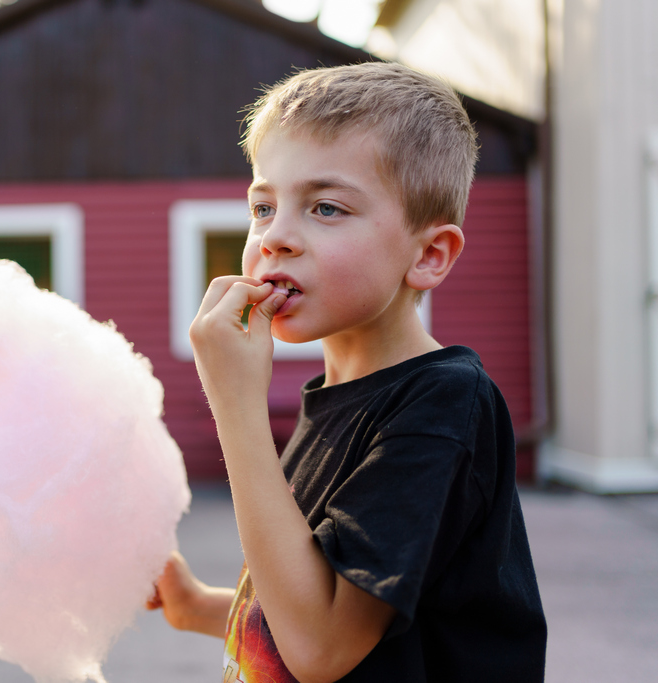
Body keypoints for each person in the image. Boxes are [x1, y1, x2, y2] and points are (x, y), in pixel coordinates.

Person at [147, 62, 547, 682]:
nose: (276, 236)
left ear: (429, 255)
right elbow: (335, 609)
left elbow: (322, 648)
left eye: (326, 208)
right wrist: (199, 606)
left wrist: (236, 405)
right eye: (263, 206)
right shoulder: (330, 397)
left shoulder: (443, 404)